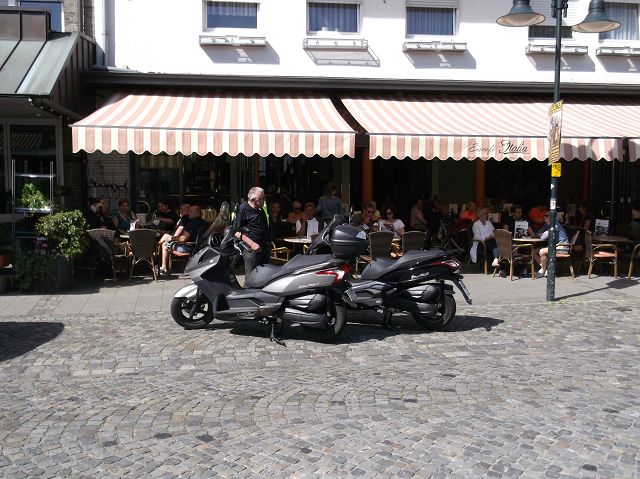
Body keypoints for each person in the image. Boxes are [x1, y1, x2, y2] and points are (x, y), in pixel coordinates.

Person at [159, 205, 206, 276]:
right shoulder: (204, 222)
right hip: (199, 247)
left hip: (189, 248)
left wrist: (171, 238)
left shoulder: (192, 224)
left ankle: (163, 268)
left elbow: (182, 239)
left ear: (197, 213)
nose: (189, 213)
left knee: (165, 244)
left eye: (191, 211)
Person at [235, 186, 271, 276]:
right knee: (251, 278)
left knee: (263, 276)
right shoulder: (242, 209)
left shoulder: (260, 210)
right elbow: (236, 232)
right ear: (253, 199)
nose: (264, 200)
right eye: (262, 198)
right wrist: (252, 244)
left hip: (264, 248)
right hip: (251, 250)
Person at [532, 212, 569, 278]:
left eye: (546, 216)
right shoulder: (548, 224)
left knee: (542, 251)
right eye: (544, 215)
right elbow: (538, 233)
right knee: (534, 251)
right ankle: (545, 268)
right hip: (555, 246)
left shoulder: (555, 225)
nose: (544, 217)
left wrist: (543, 234)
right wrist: (543, 233)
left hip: (562, 247)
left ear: (551, 217)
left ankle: (543, 271)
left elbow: (543, 237)